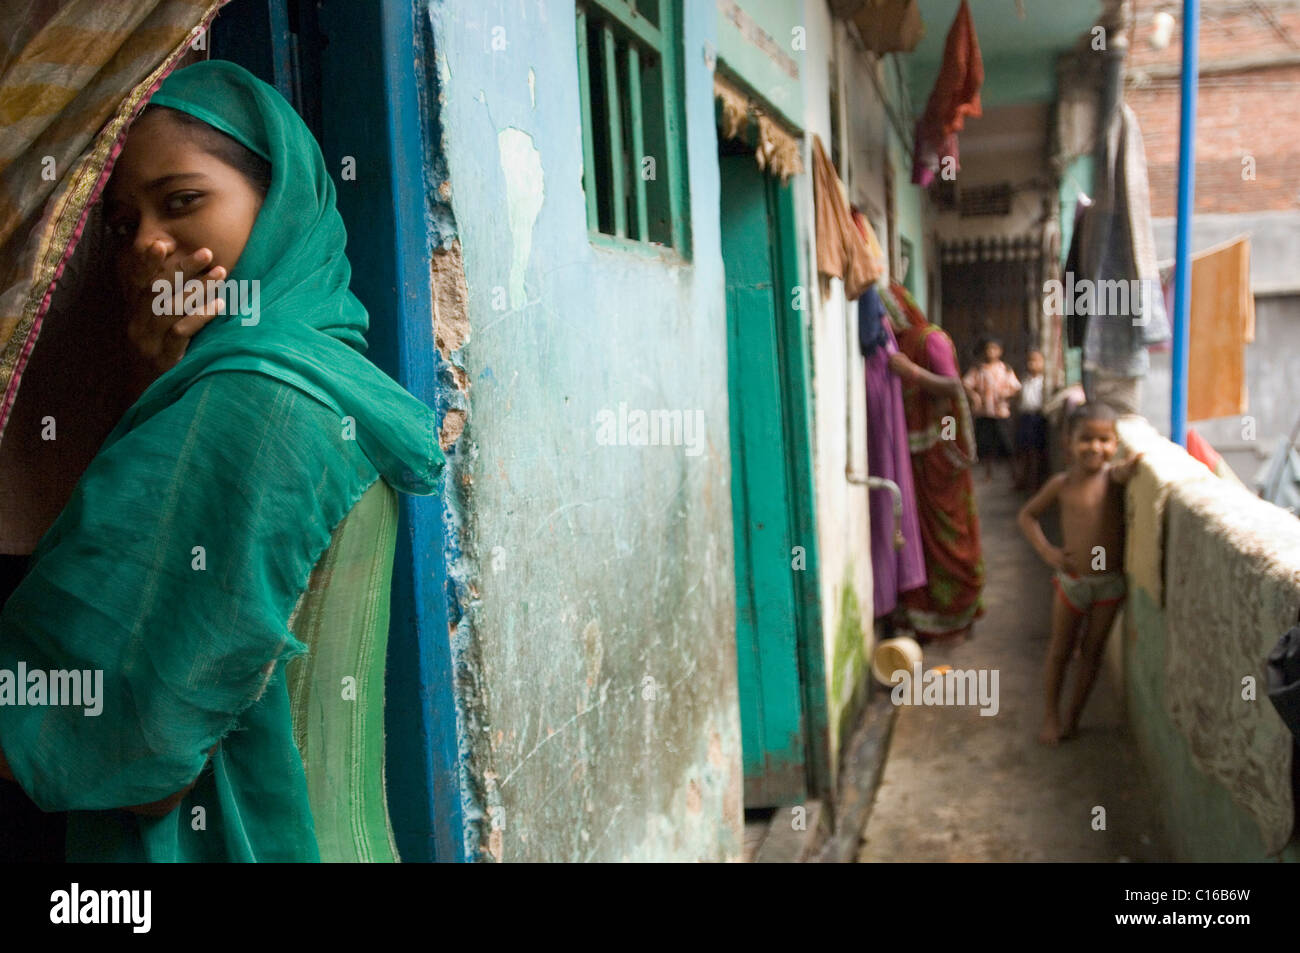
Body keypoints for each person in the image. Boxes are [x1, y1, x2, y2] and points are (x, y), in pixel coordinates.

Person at [0, 60, 444, 861]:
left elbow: (136, 752)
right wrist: (151, 384)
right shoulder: (322, 371)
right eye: (122, 223)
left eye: (182, 202)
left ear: (278, 205)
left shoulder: (254, 403)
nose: (149, 246)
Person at [1017, 403, 1142, 744]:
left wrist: (1133, 466)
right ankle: (1051, 717)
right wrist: (1048, 552)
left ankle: (1073, 717)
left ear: (1115, 444)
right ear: (1067, 442)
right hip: (1072, 584)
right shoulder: (1061, 484)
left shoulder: (1113, 479)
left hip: (1109, 586)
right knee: (1059, 651)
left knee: (1092, 653)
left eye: (1105, 440)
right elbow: (1027, 515)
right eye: (1086, 439)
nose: (1095, 448)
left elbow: (1123, 472)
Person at [881, 281, 984, 643]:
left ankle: (960, 613)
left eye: (888, 310)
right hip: (915, 458)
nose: (885, 319)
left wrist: (910, 372)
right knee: (923, 538)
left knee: (951, 533)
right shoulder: (894, 344)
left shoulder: (929, 339)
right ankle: (930, 618)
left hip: (942, 455)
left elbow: (952, 387)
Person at [962, 336, 1019, 483]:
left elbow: (1016, 387)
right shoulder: (978, 369)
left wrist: (1007, 394)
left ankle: (1014, 473)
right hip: (984, 413)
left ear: (1000, 351)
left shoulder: (1005, 369)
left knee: (1007, 444)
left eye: (994, 349)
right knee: (986, 445)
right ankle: (988, 474)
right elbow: (965, 383)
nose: (991, 352)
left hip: (1001, 413)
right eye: (988, 349)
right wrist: (974, 396)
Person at [1013, 349, 1048, 492]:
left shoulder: (1044, 382)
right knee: (1023, 450)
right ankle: (1023, 481)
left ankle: (1034, 483)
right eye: (1030, 361)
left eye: (1036, 361)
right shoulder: (1025, 380)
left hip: (1037, 418)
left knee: (1035, 451)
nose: (1032, 364)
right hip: (1025, 417)